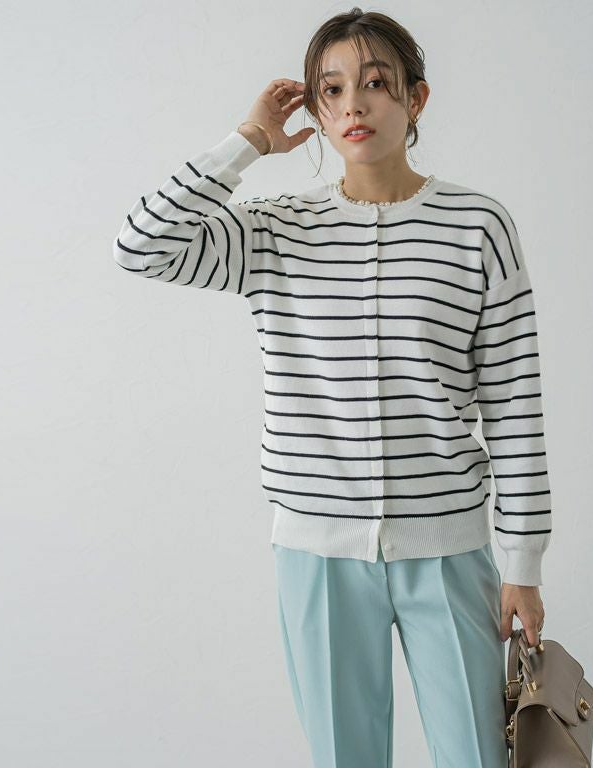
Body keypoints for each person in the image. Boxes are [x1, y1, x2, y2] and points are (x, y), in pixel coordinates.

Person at [112, 8, 550, 767]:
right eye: (333, 88)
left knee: (479, 756)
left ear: (416, 99)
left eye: (376, 83)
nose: (354, 105)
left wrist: (524, 563)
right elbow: (141, 245)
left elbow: (514, 404)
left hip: (449, 548)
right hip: (315, 552)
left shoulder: (478, 227)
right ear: (315, 109)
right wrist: (247, 142)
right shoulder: (273, 232)